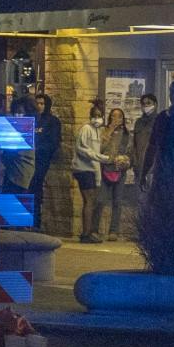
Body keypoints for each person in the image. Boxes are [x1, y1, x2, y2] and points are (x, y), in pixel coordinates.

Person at [96, 105, 132, 241]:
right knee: (100, 200)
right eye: (113, 116)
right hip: (104, 168)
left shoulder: (127, 134)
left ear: (123, 119)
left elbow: (130, 152)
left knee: (117, 201)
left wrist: (126, 160)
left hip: (119, 170)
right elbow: (100, 148)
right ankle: (95, 229)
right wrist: (110, 131)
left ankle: (113, 231)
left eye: (119, 116)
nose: (116, 119)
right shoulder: (103, 131)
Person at [73, 101, 106, 242]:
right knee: (89, 200)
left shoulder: (98, 131)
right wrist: (102, 158)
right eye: (94, 116)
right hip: (83, 169)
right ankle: (86, 233)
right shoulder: (86, 129)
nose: (97, 119)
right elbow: (82, 149)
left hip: (91, 169)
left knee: (91, 201)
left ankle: (89, 231)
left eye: (99, 116)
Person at [30, 93, 62, 226]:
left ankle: (35, 221)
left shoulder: (52, 121)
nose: (39, 106)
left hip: (41, 160)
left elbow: (53, 142)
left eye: (42, 104)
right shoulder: (31, 119)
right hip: (27, 159)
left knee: (36, 188)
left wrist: (39, 150)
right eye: (37, 103)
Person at [3, 97, 37, 195]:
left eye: (20, 113)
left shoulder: (25, 131)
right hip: (14, 172)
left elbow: (11, 153)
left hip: (20, 174)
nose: (17, 115)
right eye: (15, 112)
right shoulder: (20, 129)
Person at [130, 92, 157, 198]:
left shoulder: (159, 121)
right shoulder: (138, 122)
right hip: (139, 166)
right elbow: (134, 144)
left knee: (153, 198)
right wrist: (134, 161)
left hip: (153, 166)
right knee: (140, 198)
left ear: (155, 104)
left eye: (148, 103)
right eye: (143, 104)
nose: (146, 106)